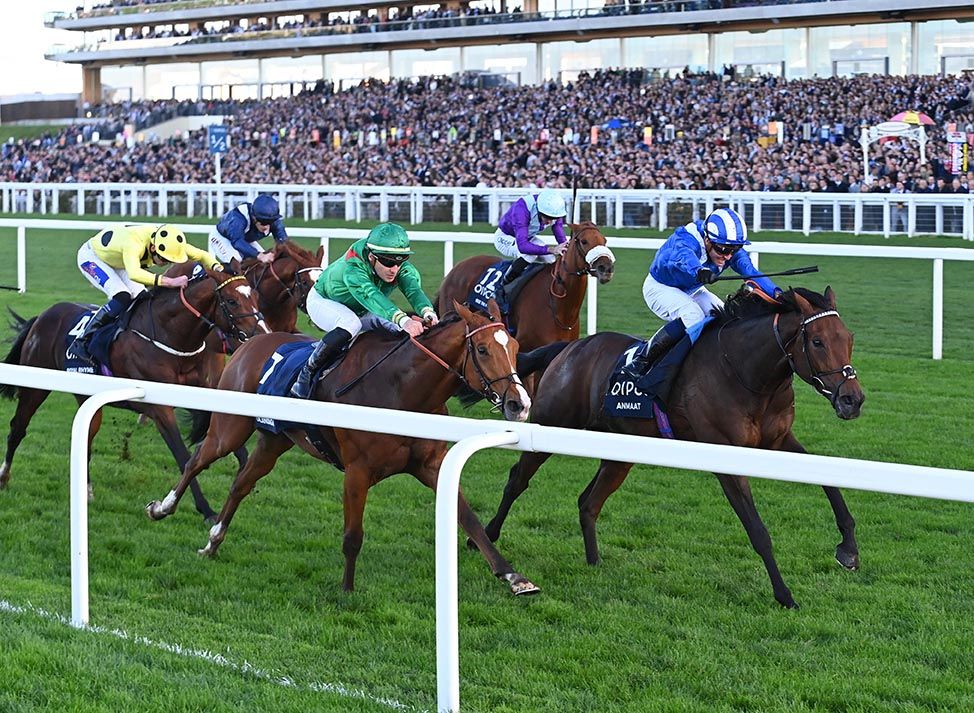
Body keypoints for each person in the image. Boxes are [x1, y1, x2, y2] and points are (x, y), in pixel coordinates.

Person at [290, 222, 439, 398]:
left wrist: (428, 313)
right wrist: (404, 320)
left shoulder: (396, 265)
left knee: (401, 331)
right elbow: (371, 296)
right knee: (351, 324)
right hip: (323, 301)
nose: (394, 269)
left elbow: (413, 290)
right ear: (371, 257)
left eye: (400, 262)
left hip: (362, 307)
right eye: (388, 262)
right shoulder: (353, 269)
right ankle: (306, 373)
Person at [631, 207, 782, 375]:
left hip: (692, 290)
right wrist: (699, 271)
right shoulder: (687, 237)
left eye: (734, 250)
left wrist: (777, 293)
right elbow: (683, 255)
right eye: (723, 250)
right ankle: (644, 360)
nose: (728, 256)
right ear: (707, 239)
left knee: (726, 317)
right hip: (660, 288)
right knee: (693, 314)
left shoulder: (726, 247)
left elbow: (750, 272)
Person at [71, 223, 223, 364]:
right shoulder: (134, 243)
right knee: (122, 296)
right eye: (163, 259)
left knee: (142, 297)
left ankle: (125, 332)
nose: (165, 263)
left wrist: (218, 268)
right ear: (152, 248)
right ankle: (82, 340)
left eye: (169, 261)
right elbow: (134, 274)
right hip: (93, 258)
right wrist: (170, 281)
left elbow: (203, 255)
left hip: (120, 260)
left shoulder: (170, 243)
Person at [492, 188, 569, 299]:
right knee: (530, 254)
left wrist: (564, 246)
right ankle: (501, 287)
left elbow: (558, 228)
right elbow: (523, 246)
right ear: (539, 210)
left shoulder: (554, 209)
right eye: (547, 218)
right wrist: (551, 249)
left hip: (527, 238)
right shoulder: (522, 209)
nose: (549, 221)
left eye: (553, 218)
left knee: (550, 259)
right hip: (505, 238)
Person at [208, 194, 287, 266]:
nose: (266, 226)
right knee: (237, 260)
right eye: (263, 222)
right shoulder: (238, 219)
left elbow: (284, 242)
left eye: (270, 222)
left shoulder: (275, 221)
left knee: (263, 263)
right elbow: (237, 242)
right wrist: (259, 255)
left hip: (244, 239)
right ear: (254, 217)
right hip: (222, 237)